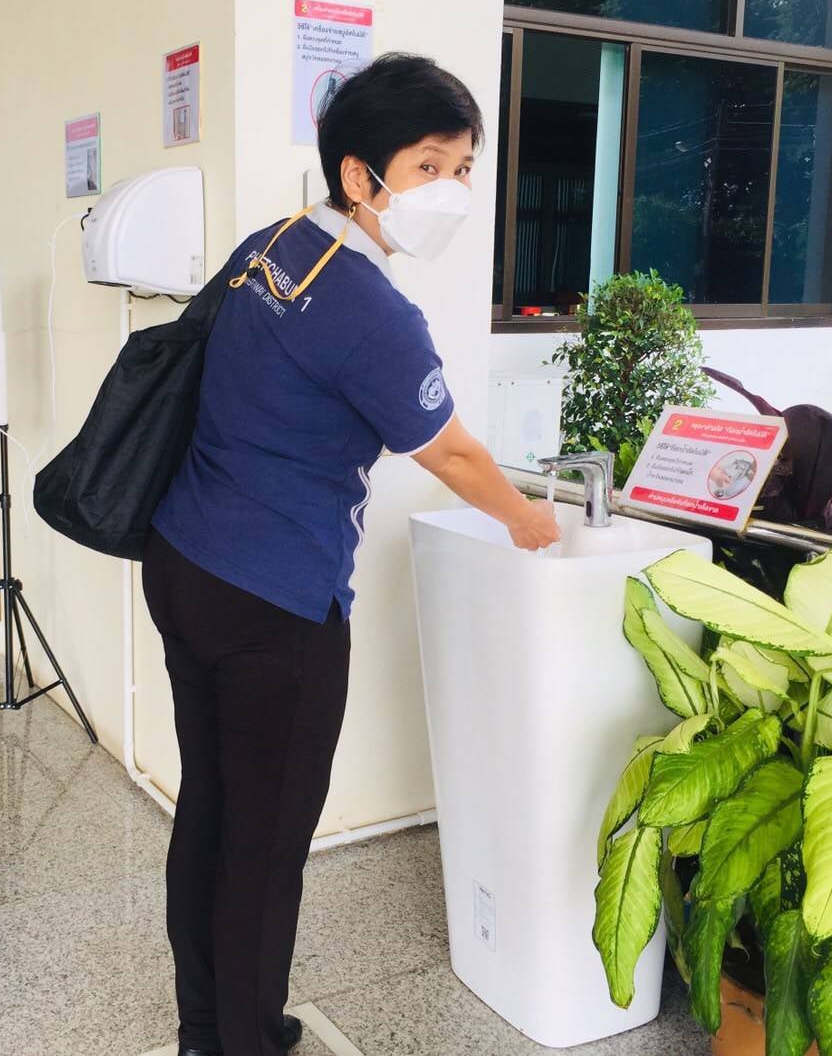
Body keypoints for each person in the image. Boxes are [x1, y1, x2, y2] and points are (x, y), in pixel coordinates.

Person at [142, 53, 562, 1056]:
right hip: (272, 601)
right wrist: (528, 520)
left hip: (184, 560)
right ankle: (243, 1041)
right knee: (265, 840)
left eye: (462, 167)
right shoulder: (370, 309)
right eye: (428, 166)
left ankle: (208, 1026)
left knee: (211, 806)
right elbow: (450, 452)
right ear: (358, 174)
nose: (450, 190)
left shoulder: (272, 246)